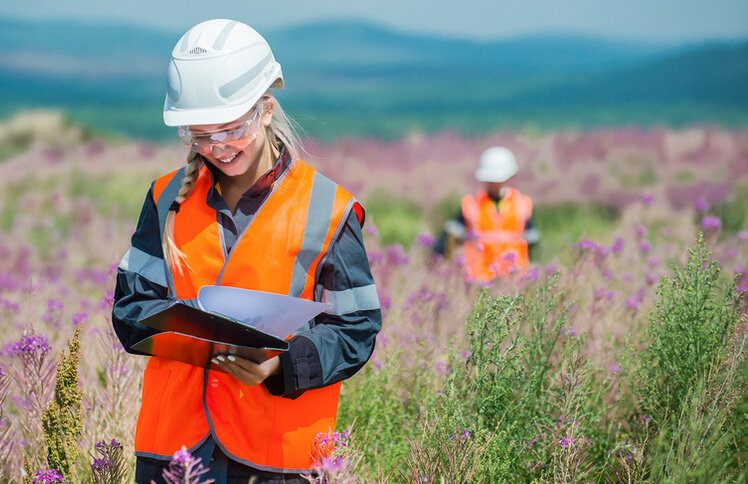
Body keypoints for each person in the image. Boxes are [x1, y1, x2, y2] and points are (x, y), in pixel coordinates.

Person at [111, 19, 382, 484]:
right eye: (200, 135)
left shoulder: (328, 210)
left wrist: (282, 365)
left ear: (266, 109)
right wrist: (194, 332)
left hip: (278, 458)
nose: (218, 147)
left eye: (232, 130)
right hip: (173, 450)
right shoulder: (164, 198)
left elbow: (356, 330)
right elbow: (130, 311)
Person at [433, 146, 539, 281]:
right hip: (479, 280)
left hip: (514, 280)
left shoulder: (523, 205)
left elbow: (532, 243)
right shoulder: (471, 205)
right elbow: (447, 240)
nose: (494, 184)